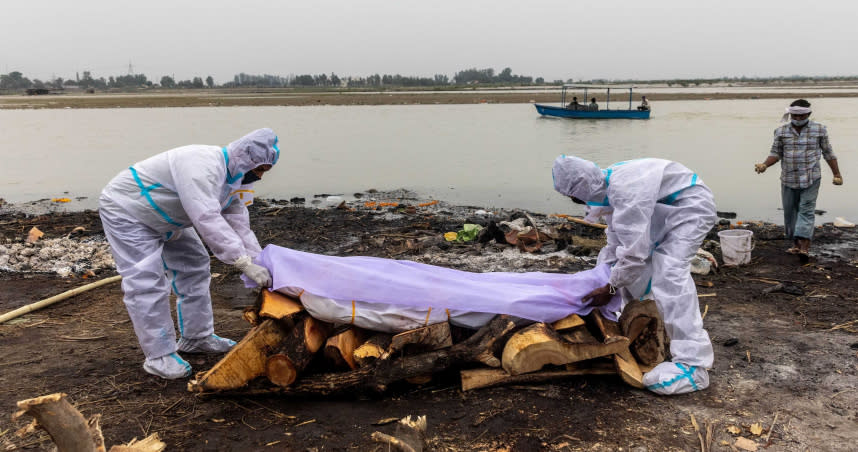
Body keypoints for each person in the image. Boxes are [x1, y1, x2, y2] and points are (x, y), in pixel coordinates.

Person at [99, 128, 280, 379]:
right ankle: (159, 355)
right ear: (246, 158)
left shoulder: (236, 179)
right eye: (259, 169)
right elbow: (206, 217)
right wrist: (242, 262)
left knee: (194, 263)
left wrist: (260, 261)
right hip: (129, 211)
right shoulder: (202, 164)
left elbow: (238, 223)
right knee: (146, 281)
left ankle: (197, 337)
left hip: (169, 217)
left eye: (264, 172)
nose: (259, 176)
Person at [553, 155, 716, 395]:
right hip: (664, 208)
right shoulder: (607, 188)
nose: (573, 200)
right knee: (623, 266)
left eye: (573, 195)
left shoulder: (626, 190)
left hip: (689, 208)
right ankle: (639, 320)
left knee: (669, 271)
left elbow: (634, 255)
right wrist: (603, 277)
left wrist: (609, 289)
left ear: (582, 187)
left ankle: (694, 365)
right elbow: (617, 242)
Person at [754, 99, 842, 258]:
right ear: (790, 115)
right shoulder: (781, 132)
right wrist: (764, 165)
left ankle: (805, 247)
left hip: (811, 177)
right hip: (788, 178)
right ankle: (795, 245)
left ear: (809, 114)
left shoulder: (819, 130)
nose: (798, 119)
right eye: (795, 116)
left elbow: (828, 153)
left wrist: (837, 174)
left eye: (802, 116)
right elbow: (776, 153)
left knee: (807, 210)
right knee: (790, 212)